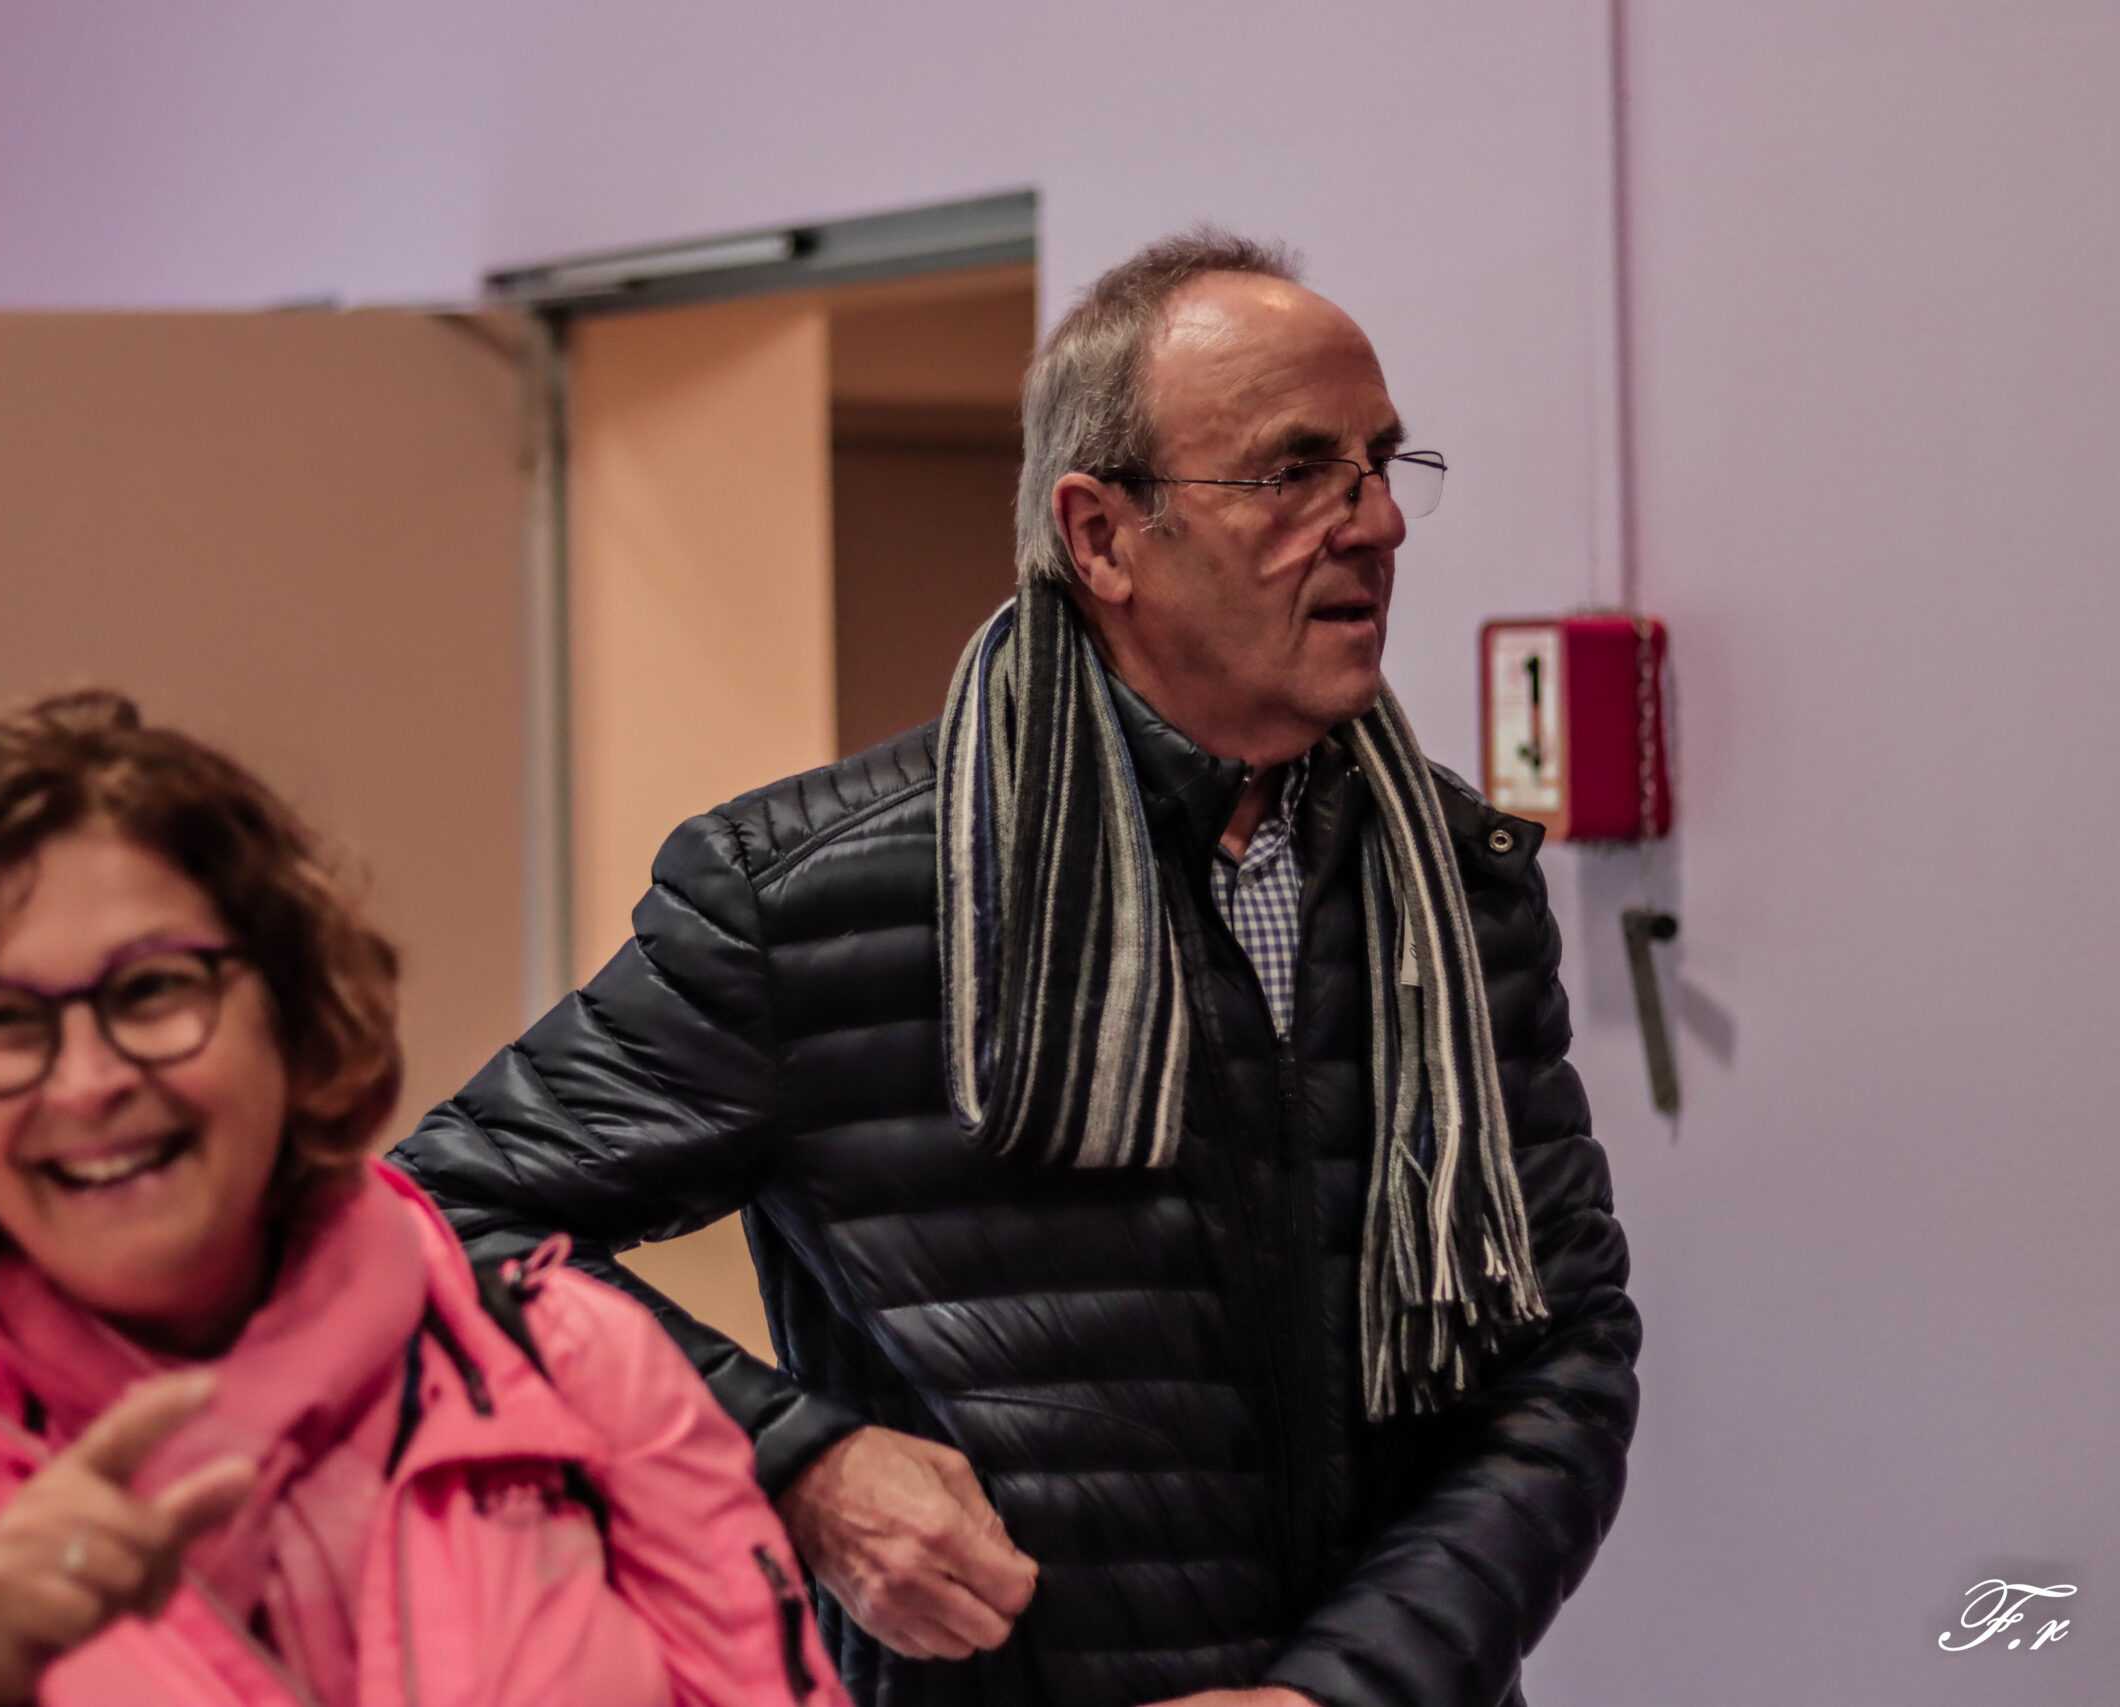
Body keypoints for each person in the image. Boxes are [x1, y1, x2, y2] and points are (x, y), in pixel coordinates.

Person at [396, 229, 1640, 1707]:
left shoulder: (1453, 881)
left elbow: (1560, 1356)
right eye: (1294, 472)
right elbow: (433, 1232)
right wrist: (795, 1464)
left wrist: (1342, 1688)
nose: (1375, 523)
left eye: (1379, 463)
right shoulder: (807, 896)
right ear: (1101, 536)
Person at [0, 690, 842, 1707]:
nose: (87, 1082)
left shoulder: (581, 1377)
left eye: (154, 990)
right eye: (1, 1023)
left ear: (292, 1011)